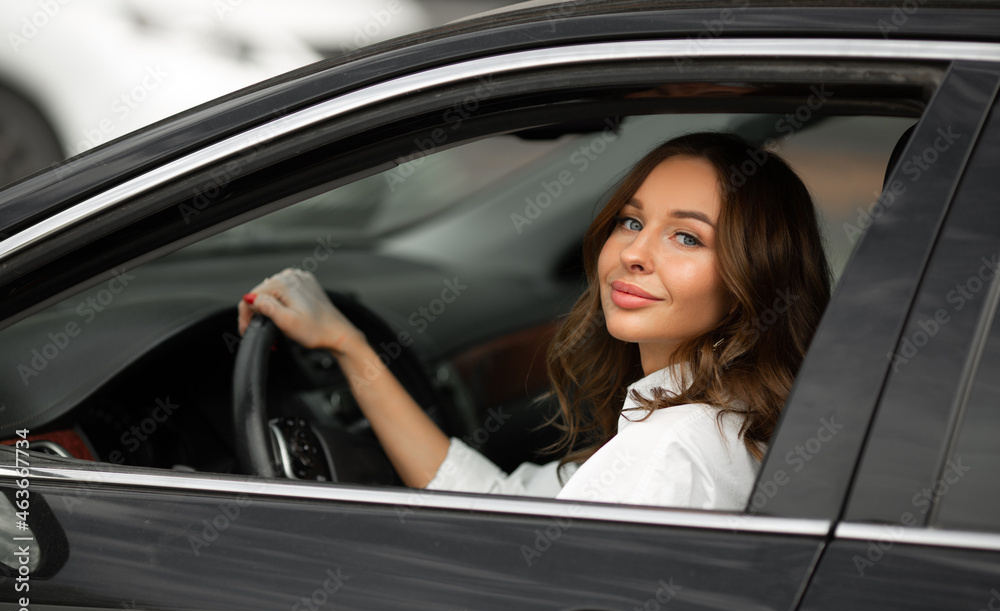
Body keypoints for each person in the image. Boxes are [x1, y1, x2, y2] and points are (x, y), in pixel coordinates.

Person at [237, 132, 831, 511]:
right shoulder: (724, 420)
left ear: (753, 281)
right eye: (630, 221)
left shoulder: (667, 454)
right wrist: (348, 347)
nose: (635, 253)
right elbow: (495, 506)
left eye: (685, 236)